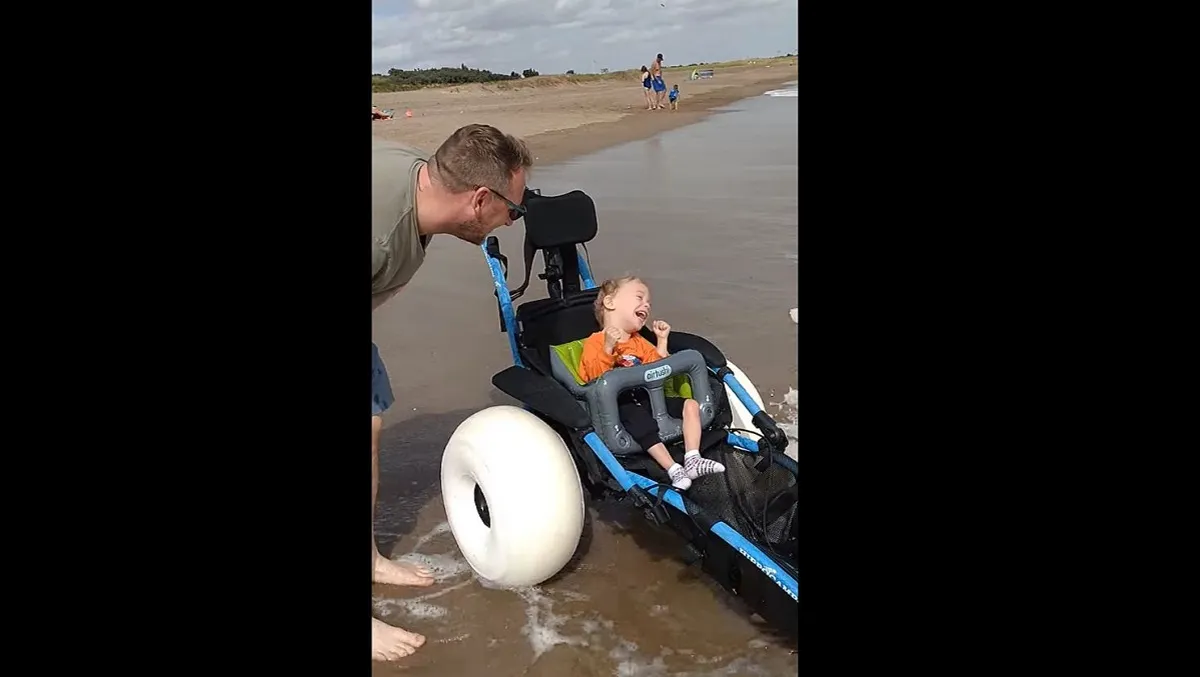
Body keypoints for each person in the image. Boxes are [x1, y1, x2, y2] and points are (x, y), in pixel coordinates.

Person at [371, 124, 533, 661]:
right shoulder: (380, 231)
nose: (512, 220)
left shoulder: (422, 174)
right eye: (514, 209)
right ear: (480, 200)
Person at [577, 276, 726, 490]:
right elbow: (595, 377)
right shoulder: (595, 342)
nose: (646, 304)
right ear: (610, 303)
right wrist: (608, 347)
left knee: (690, 405)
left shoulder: (639, 342)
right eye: (639, 297)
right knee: (638, 420)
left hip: (650, 397)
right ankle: (673, 468)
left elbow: (660, 368)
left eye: (648, 303)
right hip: (623, 404)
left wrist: (662, 340)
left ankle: (693, 458)